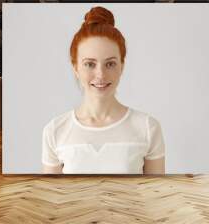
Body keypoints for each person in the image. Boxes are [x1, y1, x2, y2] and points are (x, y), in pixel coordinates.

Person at [42, 6, 165, 174]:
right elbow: (52, 196)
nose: (100, 75)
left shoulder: (148, 128)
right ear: (76, 67)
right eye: (90, 64)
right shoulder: (55, 131)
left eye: (110, 64)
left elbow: (155, 196)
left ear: (122, 66)